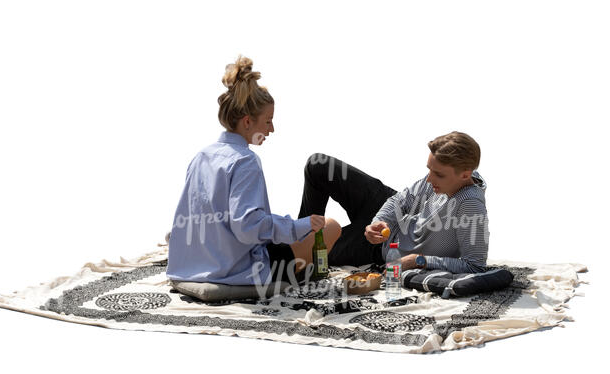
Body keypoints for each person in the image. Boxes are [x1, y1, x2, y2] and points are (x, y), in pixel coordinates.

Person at [166, 56, 341, 286]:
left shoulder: (201, 156)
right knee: (330, 226)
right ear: (247, 122)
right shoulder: (245, 161)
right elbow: (247, 227)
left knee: (285, 230)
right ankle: (299, 273)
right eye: (268, 121)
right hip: (237, 272)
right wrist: (301, 225)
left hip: (192, 267)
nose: (272, 129)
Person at [298, 131, 489, 273]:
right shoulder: (448, 175)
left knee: (310, 255)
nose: (429, 180)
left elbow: (475, 265)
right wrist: (378, 221)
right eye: (429, 170)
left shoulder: (470, 206)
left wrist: (418, 260)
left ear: (465, 175)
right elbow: (402, 199)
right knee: (319, 165)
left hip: (385, 247)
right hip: (388, 217)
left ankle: (295, 249)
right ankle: (300, 235)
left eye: (437, 174)